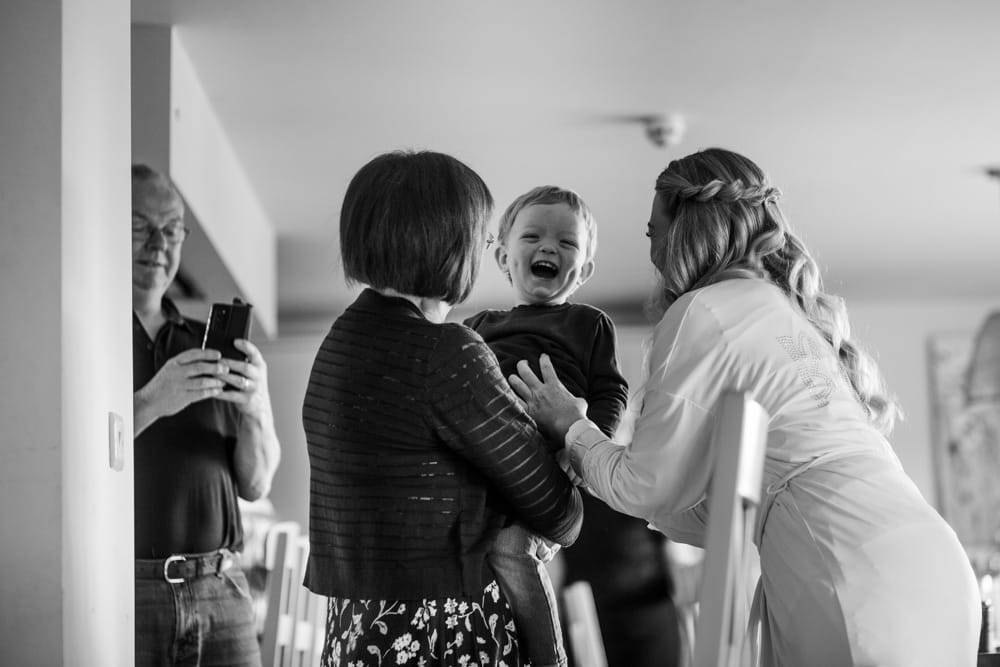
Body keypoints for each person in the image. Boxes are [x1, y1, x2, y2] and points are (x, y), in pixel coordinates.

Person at [509, 147, 981, 666]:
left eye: (652, 233)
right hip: (933, 563)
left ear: (683, 230)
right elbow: (707, 503)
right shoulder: (789, 312)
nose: (652, 253)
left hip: (848, 569)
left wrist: (571, 426)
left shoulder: (704, 310)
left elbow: (644, 486)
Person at [302, 150, 584, 667]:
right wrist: (567, 430)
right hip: (441, 633)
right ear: (446, 241)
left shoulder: (339, 343)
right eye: (480, 235)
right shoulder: (445, 352)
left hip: (359, 632)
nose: (486, 246)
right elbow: (559, 514)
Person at [462, 185, 629, 667]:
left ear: (585, 270)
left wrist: (584, 447)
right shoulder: (478, 326)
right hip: (487, 470)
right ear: (502, 256)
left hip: (553, 467)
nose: (548, 248)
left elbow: (610, 392)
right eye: (531, 236)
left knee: (515, 549)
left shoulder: (589, 324)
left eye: (568, 243)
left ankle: (548, 657)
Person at [131, 164, 281, 667]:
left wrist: (257, 405)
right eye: (140, 226)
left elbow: (257, 485)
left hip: (222, 588)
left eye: (172, 228)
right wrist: (154, 399)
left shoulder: (210, 342)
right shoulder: (89, 333)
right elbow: (67, 458)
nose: (159, 243)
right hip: (128, 589)